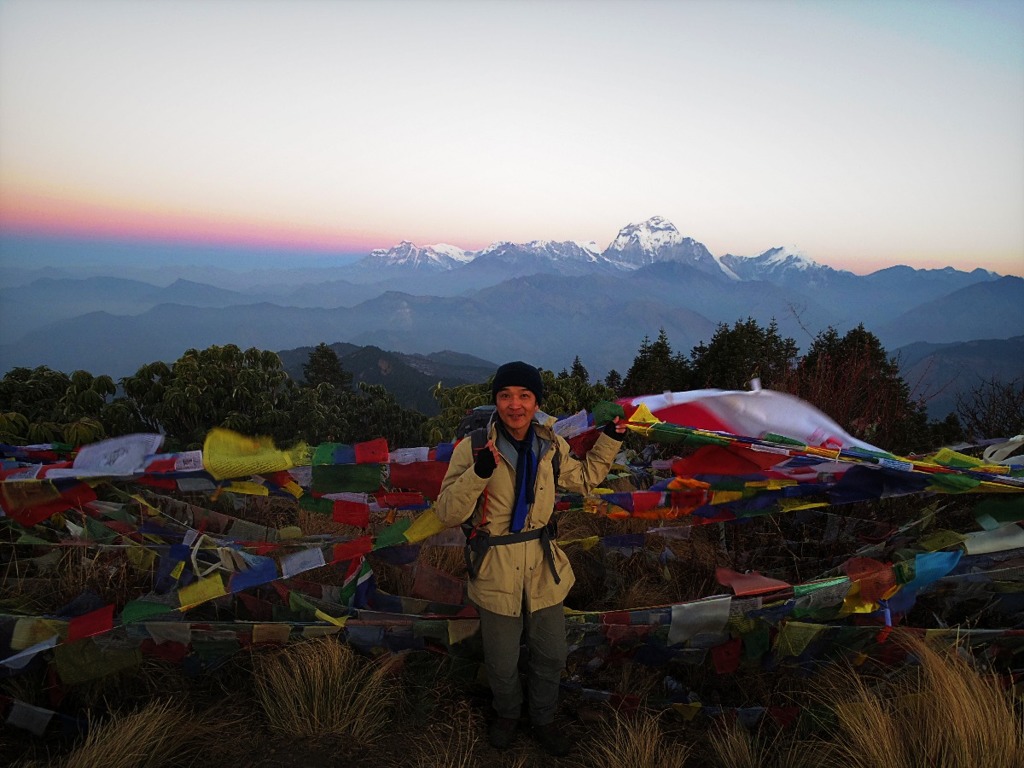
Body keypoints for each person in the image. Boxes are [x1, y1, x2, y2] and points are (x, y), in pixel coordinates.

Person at [434, 360, 625, 756]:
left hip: (543, 566)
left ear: (536, 401)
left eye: (524, 396)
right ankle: (507, 714)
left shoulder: (551, 445)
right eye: (506, 396)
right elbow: (447, 512)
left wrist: (610, 438)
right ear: (496, 401)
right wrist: (478, 473)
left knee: (551, 654)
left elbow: (585, 478)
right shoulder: (472, 448)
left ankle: (543, 719)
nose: (514, 405)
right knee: (502, 662)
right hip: (495, 568)